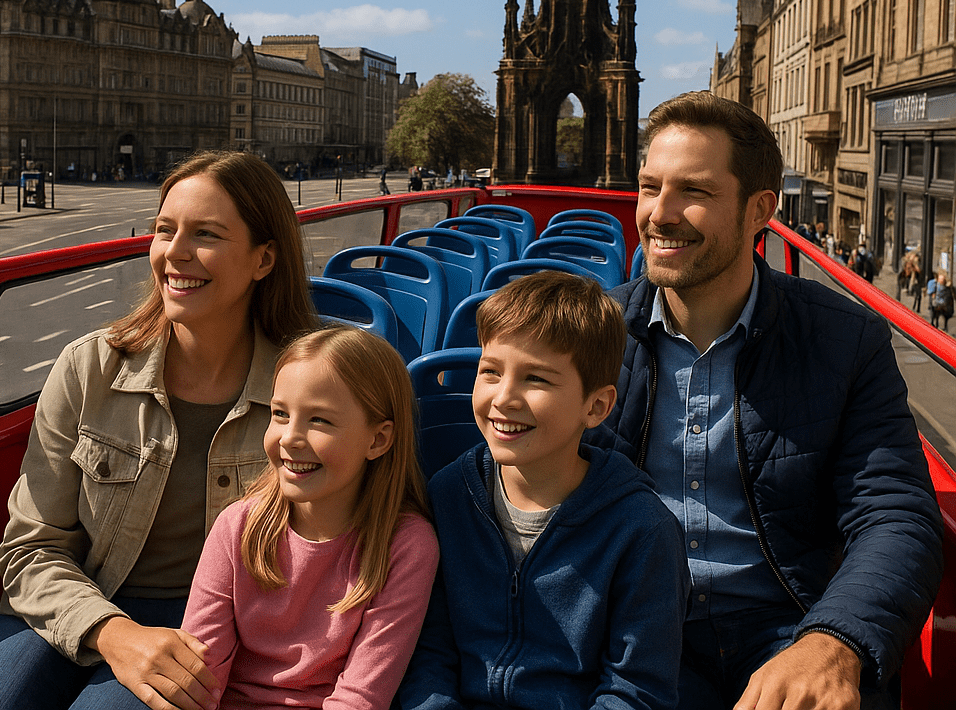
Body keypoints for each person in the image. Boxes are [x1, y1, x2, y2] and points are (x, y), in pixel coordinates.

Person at [0, 151, 320, 710]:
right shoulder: (89, 367)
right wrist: (112, 633)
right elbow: (30, 546)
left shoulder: (311, 388)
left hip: (204, 628)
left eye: (206, 235)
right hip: (70, 602)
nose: (175, 253)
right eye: (165, 230)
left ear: (264, 259)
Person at [606, 91, 943, 710]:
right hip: (636, 630)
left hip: (792, 626)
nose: (660, 213)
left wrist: (836, 639)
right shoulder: (595, 335)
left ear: (761, 208)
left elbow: (895, 513)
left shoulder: (845, 339)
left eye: (694, 192)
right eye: (651, 186)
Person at [399, 271, 689, 710]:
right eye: (491, 372)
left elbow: (636, 689)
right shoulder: (448, 496)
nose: (504, 398)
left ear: (596, 407)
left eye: (536, 379)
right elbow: (428, 653)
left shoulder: (641, 531)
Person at [182, 326, 438, 709]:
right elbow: (197, 677)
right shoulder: (236, 526)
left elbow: (360, 697)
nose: (289, 437)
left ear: (378, 439)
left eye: (319, 420)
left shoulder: (406, 546)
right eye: (280, 414)